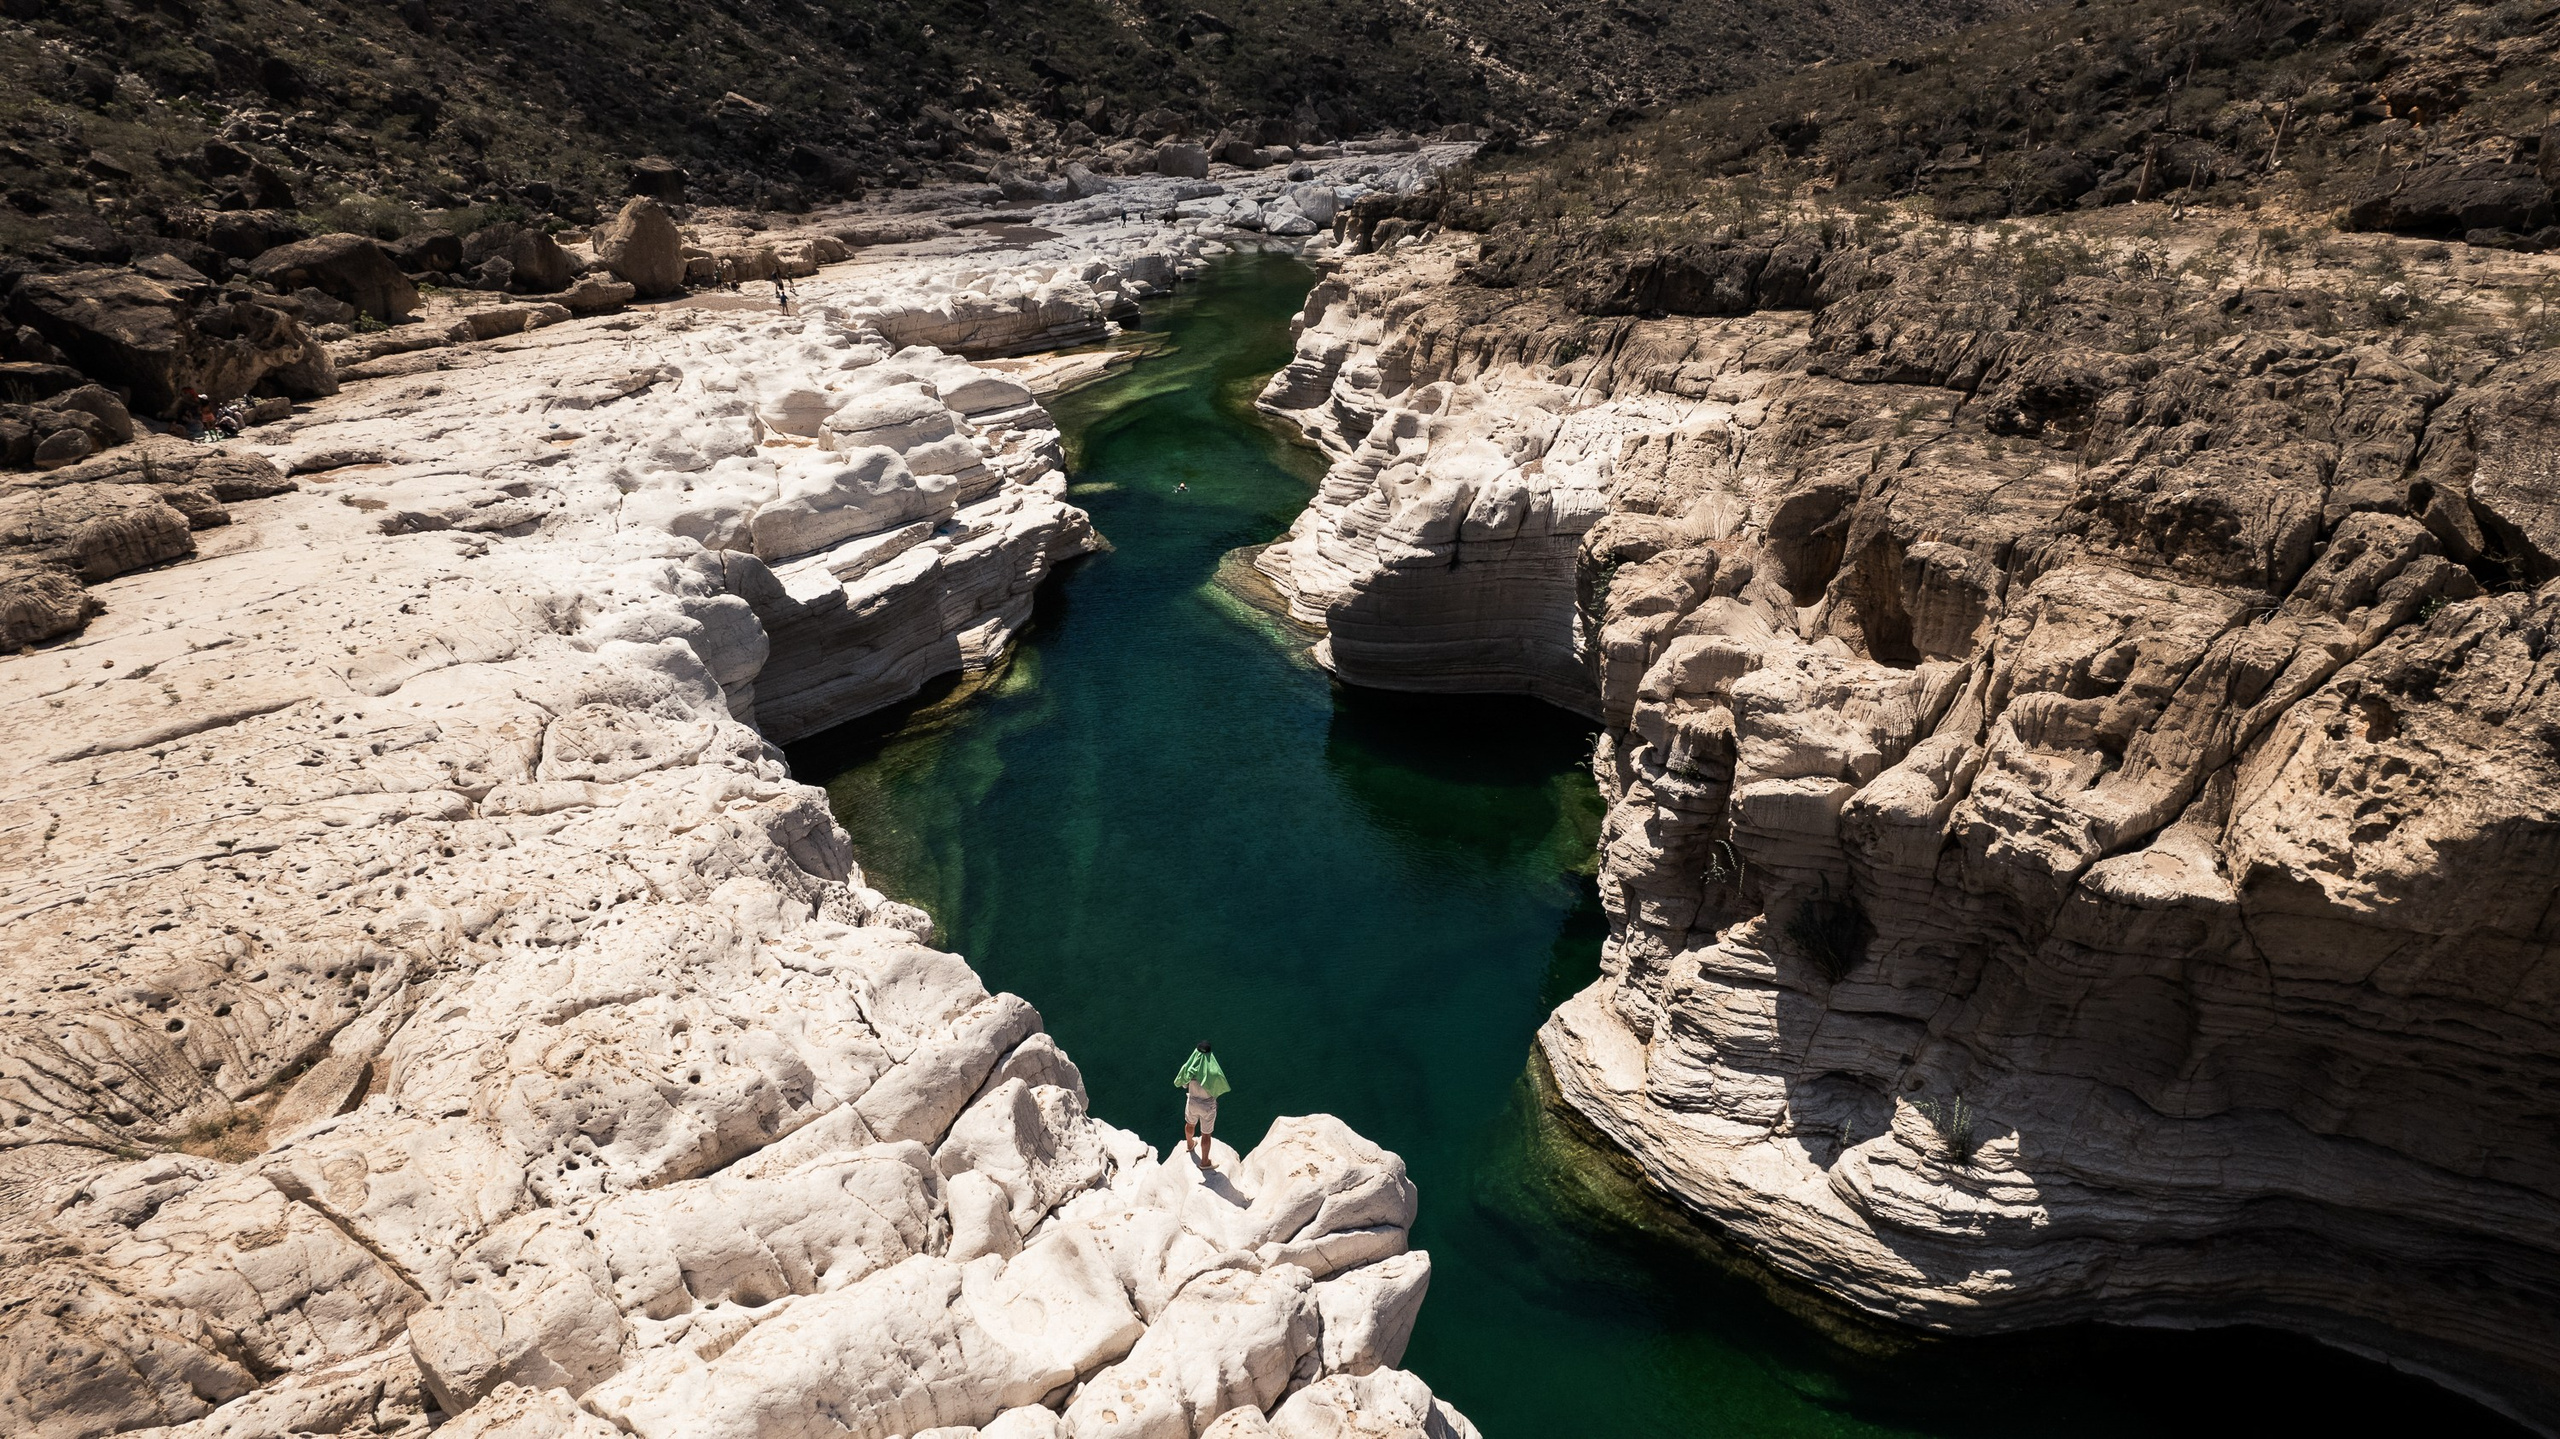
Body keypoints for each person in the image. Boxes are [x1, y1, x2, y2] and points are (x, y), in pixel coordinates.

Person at [1174, 1040, 1229, 1169]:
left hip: (1192, 1101)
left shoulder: (1189, 1068)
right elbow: (1218, 1088)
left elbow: (1183, 1084)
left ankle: (1190, 1144)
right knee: (1206, 1134)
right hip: (1207, 1105)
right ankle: (1204, 1162)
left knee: (1190, 1124)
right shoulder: (1214, 1071)